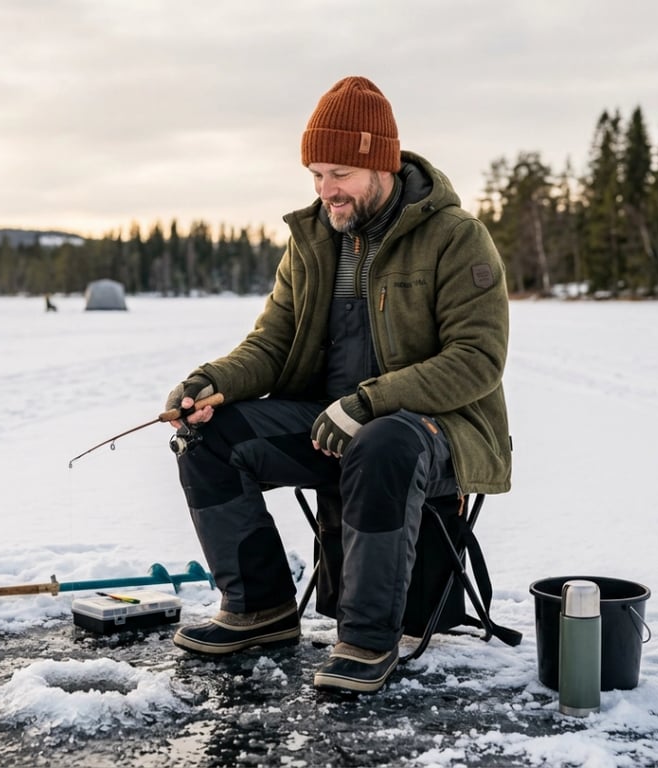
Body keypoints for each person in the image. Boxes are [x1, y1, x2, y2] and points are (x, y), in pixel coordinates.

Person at [164, 76, 511, 694]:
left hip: (439, 432)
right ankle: (259, 610)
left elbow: (477, 359)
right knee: (209, 437)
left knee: (384, 442)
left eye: (341, 173)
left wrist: (370, 402)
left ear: (381, 164)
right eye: (316, 175)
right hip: (330, 424)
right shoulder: (311, 244)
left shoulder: (456, 238)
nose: (327, 191)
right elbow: (271, 344)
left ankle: (367, 638)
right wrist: (209, 382)